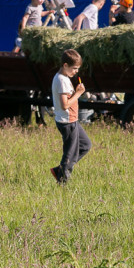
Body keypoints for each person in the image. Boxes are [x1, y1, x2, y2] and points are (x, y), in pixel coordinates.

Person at [50, 49, 91, 184]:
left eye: (78, 69)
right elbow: (65, 105)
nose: (76, 72)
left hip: (73, 120)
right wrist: (79, 93)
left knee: (85, 145)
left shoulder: (65, 78)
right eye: (74, 68)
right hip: (67, 122)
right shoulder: (61, 80)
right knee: (70, 154)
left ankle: (59, 170)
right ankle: (62, 181)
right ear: (65, 65)